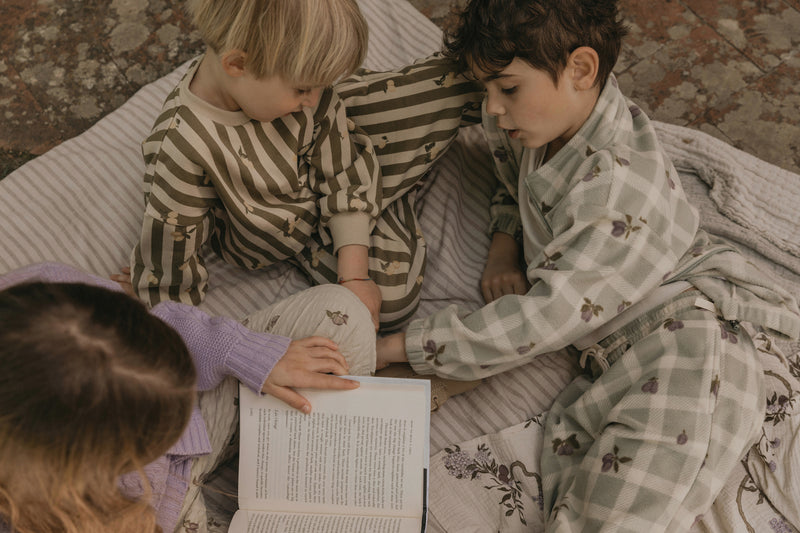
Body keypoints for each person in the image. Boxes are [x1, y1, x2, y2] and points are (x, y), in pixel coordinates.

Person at [375, 0, 800, 531]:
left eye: (507, 89)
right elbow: (514, 188)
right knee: (571, 496)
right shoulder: (530, 128)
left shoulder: (616, 187)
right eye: (486, 90)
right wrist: (505, 244)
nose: (493, 109)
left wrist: (397, 346)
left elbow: (545, 316)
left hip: (688, 347)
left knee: (617, 516)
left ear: (581, 70)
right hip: (613, 361)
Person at [0, 262, 366, 533]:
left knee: (341, 311)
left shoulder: (55, 295)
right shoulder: (36, 503)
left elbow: (164, 321)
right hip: (161, 513)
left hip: (205, 413)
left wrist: (248, 354)